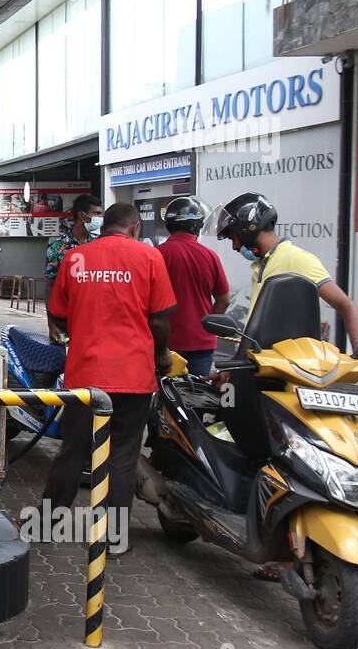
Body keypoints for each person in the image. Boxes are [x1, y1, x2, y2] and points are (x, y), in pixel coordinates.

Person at [44, 202, 177, 554]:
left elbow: (57, 314)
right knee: (122, 454)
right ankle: (112, 538)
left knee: (73, 449)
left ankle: (47, 523)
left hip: (86, 374)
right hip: (133, 375)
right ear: (134, 227)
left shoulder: (75, 258)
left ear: (103, 226)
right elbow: (161, 319)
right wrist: (161, 354)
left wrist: (83, 330)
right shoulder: (149, 259)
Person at [214, 191, 358, 383]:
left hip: (288, 375)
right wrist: (235, 365)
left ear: (248, 230)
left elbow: (346, 305)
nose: (234, 246)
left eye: (233, 237)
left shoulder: (296, 258)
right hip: (261, 370)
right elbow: (257, 328)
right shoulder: (263, 266)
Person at [155, 197, 230, 377]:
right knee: (197, 397)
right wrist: (207, 325)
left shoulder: (156, 255)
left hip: (164, 344)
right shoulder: (210, 256)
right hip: (201, 343)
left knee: (163, 397)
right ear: (197, 225)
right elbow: (224, 300)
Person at [44, 193, 103, 342]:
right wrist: (52, 324)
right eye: (96, 213)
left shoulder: (101, 244)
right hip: (66, 321)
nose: (100, 218)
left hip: (97, 320)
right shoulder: (57, 247)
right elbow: (51, 287)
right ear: (82, 216)